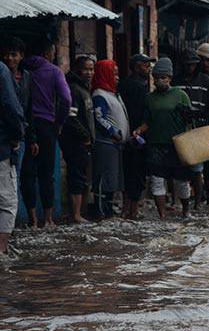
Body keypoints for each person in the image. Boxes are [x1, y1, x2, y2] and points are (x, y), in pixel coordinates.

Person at [133, 58, 194, 219]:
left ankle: (186, 210)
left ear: (170, 78)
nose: (160, 81)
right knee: (157, 180)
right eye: (156, 78)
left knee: (181, 180)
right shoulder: (150, 98)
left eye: (163, 78)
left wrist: (187, 115)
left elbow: (190, 121)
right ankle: (162, 214)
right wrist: (139, 130)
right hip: (156, 145)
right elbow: (147, 121)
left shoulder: (180, 95)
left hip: (177, 145)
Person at [21, 41, 70, 228]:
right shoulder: (54, 71)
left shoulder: (21, 70)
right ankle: (48, 219)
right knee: (46, 173)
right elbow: (66, 99)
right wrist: (59, 122)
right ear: (49, 52)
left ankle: (32, 219)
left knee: (27, 173)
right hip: (47, 125)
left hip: (24, 124)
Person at [0, 38, 36, 225]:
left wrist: (31, 138)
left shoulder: (27, 78)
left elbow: (28, 110)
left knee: (17, 177)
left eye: (14, 54)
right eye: (6, 54)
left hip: (18, 135)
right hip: (7, 136)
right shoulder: (2, 74)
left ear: (21, 56)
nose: (9, 58)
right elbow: (10, 108)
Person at [174, 50, 209, 208]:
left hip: (199, 128)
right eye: (187, 65)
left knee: (198, 169)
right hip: (180, 128)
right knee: (180, 168)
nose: (190, 68)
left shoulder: (205, 81)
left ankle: (198, 202)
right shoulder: (176, 81)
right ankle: (180, 202)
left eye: (193, 65)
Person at [91, 60, 128, 220]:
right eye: (114, 74)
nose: (117, 77)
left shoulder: (112, 93)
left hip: (115, 145)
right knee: (104, 179)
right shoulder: (99, 94)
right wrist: (113, 132)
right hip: (106, 143)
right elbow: (98, 118)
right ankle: (101, 212)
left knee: (112, 179)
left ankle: (108, 210)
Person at [61, 54, 95, 224]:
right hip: (75, 141)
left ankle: (80, 213)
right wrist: (85, 135)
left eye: (91, 69)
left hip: (84, 141)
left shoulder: (85, 88)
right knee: (76, 176)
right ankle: (75, 214)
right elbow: (70, 116)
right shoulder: (74, 88)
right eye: (85, 69)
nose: (89, 72)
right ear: (77, 69)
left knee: (82, 177)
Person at [120, 54, 152, 219]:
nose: (149, 69)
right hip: (137, 137)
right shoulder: (139, 87)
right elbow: (141, 113)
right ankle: (133, 211)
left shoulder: (123, 84)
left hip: (125, 136)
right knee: (137, 174)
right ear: (138, 66)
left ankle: (126, 210)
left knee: (128, 173)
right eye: (146, 66)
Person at [0, 60, 25, 258]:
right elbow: (11, 106)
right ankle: (1, 249)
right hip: (1, 147)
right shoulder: (1, 70)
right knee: (7, 200)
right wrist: (17, 136)